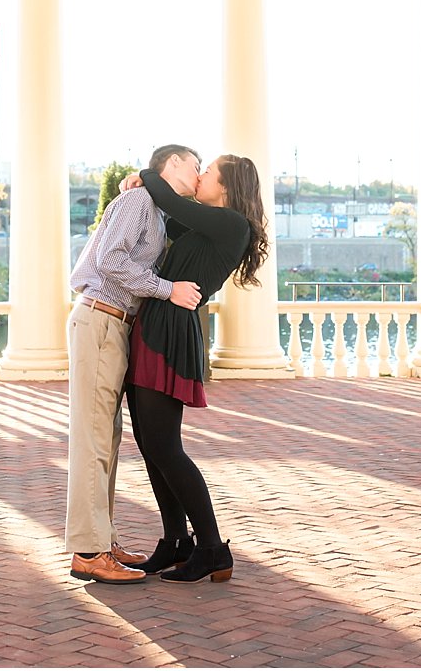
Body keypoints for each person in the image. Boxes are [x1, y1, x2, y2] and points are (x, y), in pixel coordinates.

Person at [120, 154, 269, 585]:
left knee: (166, 448)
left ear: (226, 186)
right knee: (152, 446)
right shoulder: (211, 223)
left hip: (169, 331)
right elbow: (164, 216)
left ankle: (211, 548)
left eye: (208, 172)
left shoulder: (231, 224)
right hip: (158, 324)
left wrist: (145, 173)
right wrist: (143, 187)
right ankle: (174, 542)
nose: (200, 176)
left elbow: (170, 200)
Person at [65, 144, 204, 586]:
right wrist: (168, 289)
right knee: (93, 439)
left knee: (106, 437)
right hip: (101, 320)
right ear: (175, 163)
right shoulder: (139, 200)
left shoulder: (154, 206)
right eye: (197, 166)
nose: (200, 176)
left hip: (115, 326)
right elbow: (110, 261)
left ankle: (100, 541)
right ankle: (88, 552)